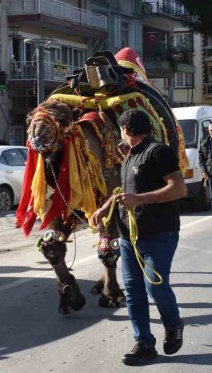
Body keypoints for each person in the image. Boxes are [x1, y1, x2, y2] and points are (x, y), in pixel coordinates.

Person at [90, 109, 187, 366]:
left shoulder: (157, 152)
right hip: (128, 237)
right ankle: (144, 342)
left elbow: (178, 187)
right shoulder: (129, 157)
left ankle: (173, 323)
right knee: (133, 291)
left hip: (159, 234)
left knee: (155, 287)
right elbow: (124, 191)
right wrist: (104, 207)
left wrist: (139, 200)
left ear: (125, 129)